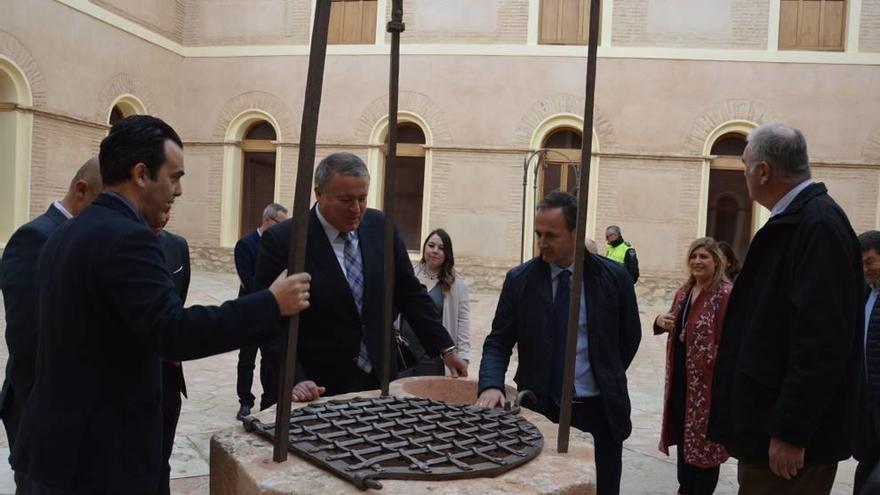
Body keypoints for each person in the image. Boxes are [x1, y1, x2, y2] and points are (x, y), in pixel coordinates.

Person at [11, 115, 311, 495]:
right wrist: (270, 303)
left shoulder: (68, 231)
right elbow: (172, 331)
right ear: (140, 174)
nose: (179, 190)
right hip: (99, 459)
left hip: (59, 451)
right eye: (174, 176)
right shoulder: (128, 238)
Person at [708, 123, 863, 495]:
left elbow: (822, 342)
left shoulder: (818, 226)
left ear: (763, 171)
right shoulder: (799, 220)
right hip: (768, 432)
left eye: (745, 164)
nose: (744, 174)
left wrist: (792, 431)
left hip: (790, 448)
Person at [255, 152, 467, 404]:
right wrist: (295, 378)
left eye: (362, 198)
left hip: (378, 378)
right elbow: (267, 321)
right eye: (346, 199)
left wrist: (446, 348)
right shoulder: (285, 241)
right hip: (317, 386)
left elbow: (410, 294)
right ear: (318, 194)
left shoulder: (381, 227)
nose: (356, 209)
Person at [477, 191, 641, 495]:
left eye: (551, 235)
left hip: (600, 415)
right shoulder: (520, 280)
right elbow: (498, 341)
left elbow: (630, 337)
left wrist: (606, 372)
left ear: (576, 234)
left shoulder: (614, 278)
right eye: (539, 234)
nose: (542, 243)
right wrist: (490, 384)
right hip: (542, 412)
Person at [0, 157, 102, 492]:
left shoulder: (87, 239)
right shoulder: (36, 239)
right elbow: (29, 341)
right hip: (43, 421)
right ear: (81, 191)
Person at [654, 237, 732, 495]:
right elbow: (674, 322)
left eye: (704, 257)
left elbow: (732, 341)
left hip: (709, 388)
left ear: (716, 261)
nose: (697, 262)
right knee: (685, 437)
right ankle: (685, 488)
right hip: (682, 380)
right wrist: (659, 320)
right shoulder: (684, 292)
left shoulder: (725, 294)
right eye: (693, 256)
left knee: (706, 445)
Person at [234, 202, 289, 419]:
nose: (282, 228)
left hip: (273, 312)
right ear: (267, 220)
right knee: (247, 358)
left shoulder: (280, 244)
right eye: (280, 223)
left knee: (271, 357)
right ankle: (245, 401)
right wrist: (275, 290)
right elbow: (248, 281)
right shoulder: (245, 244)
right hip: (249, 311)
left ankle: (269, 401)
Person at [149, 211, 190, 495]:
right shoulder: (114, 247)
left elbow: (179, 302)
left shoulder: (177, 246)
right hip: (128, 379)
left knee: (161, 458)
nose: (164, 214)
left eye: (169, 208)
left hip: (167, 375)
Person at [398, 228, 470, 377]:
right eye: (431, 246)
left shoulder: (458, 285)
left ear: (447, 254)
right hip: (404, 353)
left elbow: (463, 323)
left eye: (441, 248)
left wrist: (463, 357)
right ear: (424, 247)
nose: (435, 251)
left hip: (434, 358)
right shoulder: (409, 273)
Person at [855, 230, 880, 495]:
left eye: (870, 261)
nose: (865, 269)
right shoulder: (865, 294)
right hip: (867, 397)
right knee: (867, 461)